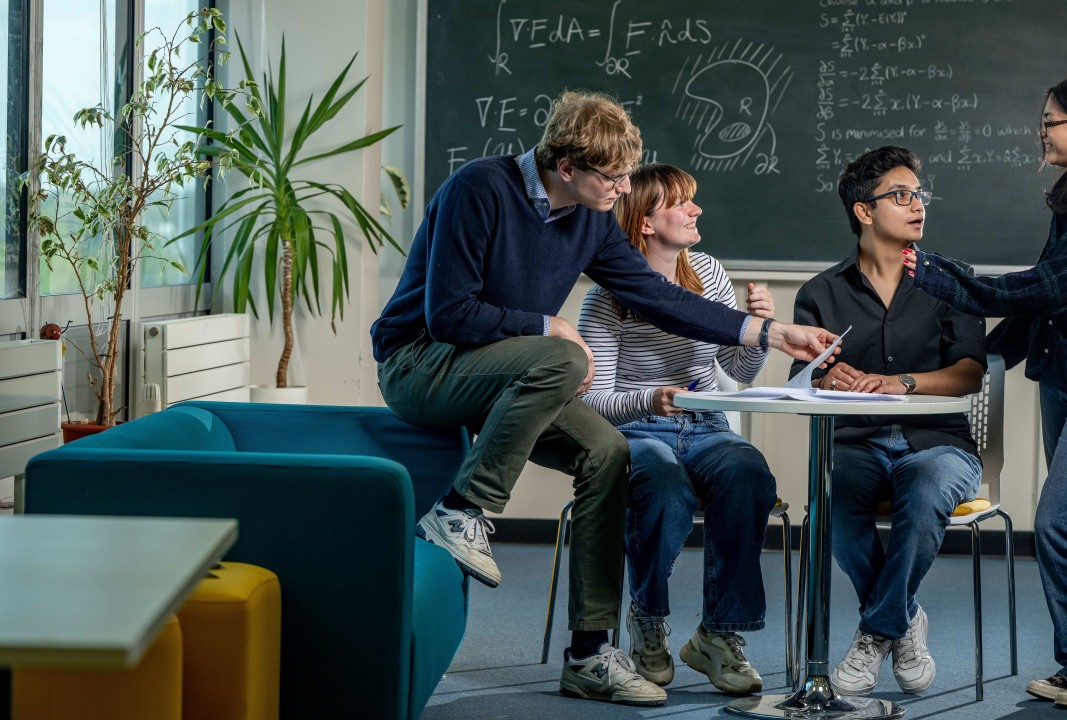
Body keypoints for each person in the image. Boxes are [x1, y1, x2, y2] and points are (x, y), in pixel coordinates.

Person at [371, 90, 839, 707]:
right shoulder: (479, 189)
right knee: (563, 355)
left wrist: (772, 333)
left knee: (608, 451)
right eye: (613, 177)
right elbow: (450, 313)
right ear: (567, 167)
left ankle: (589, 654)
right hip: (422, 364)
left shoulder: (588, 220)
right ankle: (461, 510)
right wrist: (551, 326)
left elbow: (658, 296)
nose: (623, 188)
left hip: (503, 374)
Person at [905, 72, 1067, 710]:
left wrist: (942, 276)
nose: (1041, 131)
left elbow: (1045, 288)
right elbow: (1046, 299)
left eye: (1051, 120)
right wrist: (980, 356)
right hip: (1066, 378)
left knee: (1058, 520)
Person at [790, 145, 986, 698]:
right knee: (836, 512)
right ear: (864, 211)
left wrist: (900, 383)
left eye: (918, 194)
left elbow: (969, 372)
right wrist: (831, 378)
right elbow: (803, 375)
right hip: (858, 439)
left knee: (924, 494)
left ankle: (877, 629)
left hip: (940, 443)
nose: (917, 205)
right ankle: (904, 618)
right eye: (900, 196)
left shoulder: (952, 280)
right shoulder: (821, 292)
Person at [577, 164, 776, 694]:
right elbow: (592, 401)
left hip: (708, 425)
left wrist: (754, 336)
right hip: (640, 430)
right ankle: (648, 616)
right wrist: (653, 399)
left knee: (748, 472)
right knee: (662, 484)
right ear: (644, 222)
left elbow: (733, 373)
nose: (696, 210)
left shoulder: (708, 274)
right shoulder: (605, 298)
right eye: (682, 203)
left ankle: (719, 634)